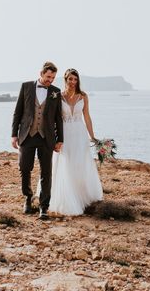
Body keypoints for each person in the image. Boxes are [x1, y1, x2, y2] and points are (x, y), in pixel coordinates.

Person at [44, 68, 103, 215]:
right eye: (70, 79)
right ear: (65, 80)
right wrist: (53, 138)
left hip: (79, 134)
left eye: (75, 79)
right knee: (65, 162)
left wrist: (93, 136)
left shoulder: (83, 96)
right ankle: (65, 198)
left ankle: (81, 196)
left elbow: (87, 117)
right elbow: (52, 118)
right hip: (64, 134)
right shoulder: (58, 96)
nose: (73, 82)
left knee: (79, 163)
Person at [11, 61, 64, 220]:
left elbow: (58, 118)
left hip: (46, 138)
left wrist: (60, 139)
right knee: (25, 168)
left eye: (53, 77)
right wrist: (14, 134)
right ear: (41, 73)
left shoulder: (56, 92)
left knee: (46, 172)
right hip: (27, 135)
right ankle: (28, 198)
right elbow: (17, 112)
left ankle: (44, 207)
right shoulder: (26, 87)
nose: (50, 80)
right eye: (48, 77)